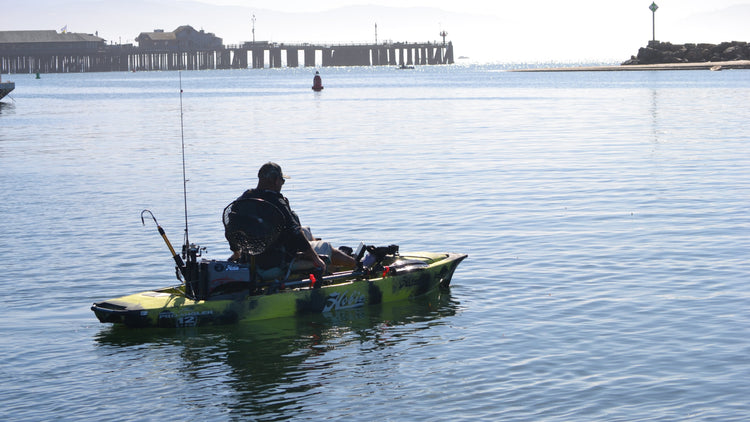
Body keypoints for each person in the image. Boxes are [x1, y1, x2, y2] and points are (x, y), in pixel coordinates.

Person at [228, 162, 356, 276]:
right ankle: (356, 265)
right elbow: (294, 234)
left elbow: (231, 230)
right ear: (276, 181)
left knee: (305, 230)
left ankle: (325, 255)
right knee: (325, 246)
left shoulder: (245, 198)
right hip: (277, 262)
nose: (282, 184)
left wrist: (236, 252)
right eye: (282, 181)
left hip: (252, 257)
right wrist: (316, 259)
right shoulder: (276, 202)